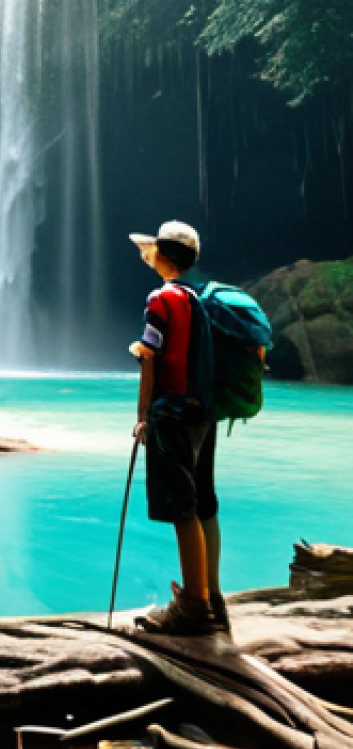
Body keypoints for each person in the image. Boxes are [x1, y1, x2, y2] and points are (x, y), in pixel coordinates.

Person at [128, 220, 227, 637]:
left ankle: (192, 606)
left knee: (183, 510)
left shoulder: (162, 300)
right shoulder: (201, 298)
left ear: (163, 255)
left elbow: (150, 357)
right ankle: (213, 596)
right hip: (204, 413)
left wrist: (143, 416)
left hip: (173, 414)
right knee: (204, 504)